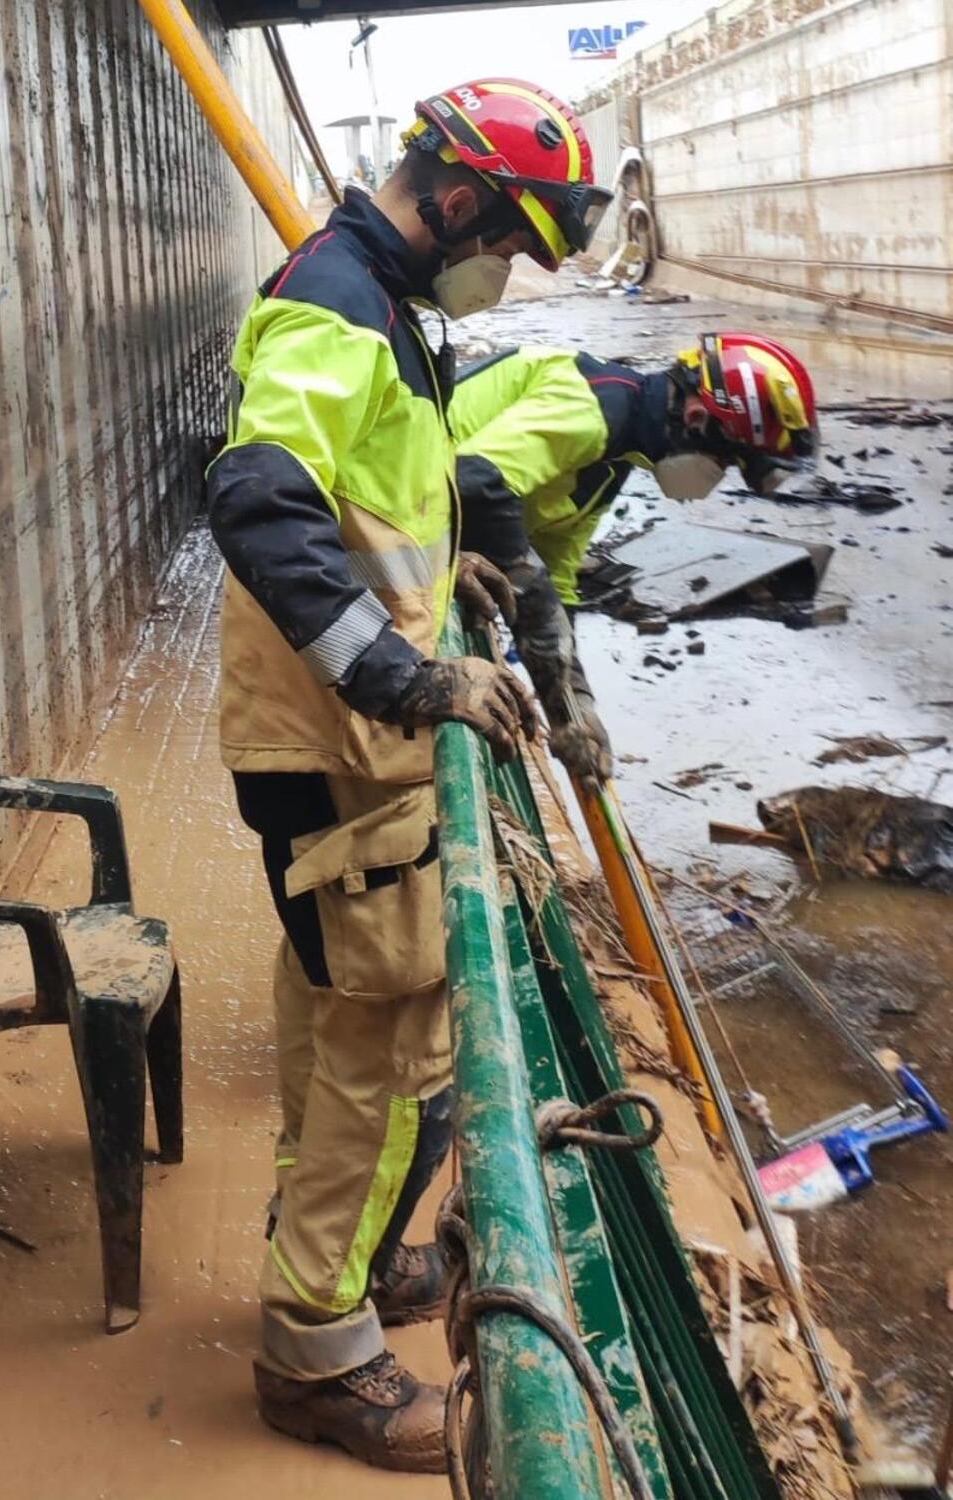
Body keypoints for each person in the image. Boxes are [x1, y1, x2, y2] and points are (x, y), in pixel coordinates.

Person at [206, 78, 610, 1474]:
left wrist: (448, 579)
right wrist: (403, 673)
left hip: (327, 746)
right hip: (340, 744)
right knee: (391, 1065)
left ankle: (343, 1261)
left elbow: (366, 499)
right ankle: (318, 1354)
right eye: (513, 237)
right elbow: (259, 495)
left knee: (347, 1032)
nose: (516, 269)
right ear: (453, 205)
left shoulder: (381, 306)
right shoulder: (337, 302)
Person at [448, 332, 820, 788]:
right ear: (698, 417)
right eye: (726, 462)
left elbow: (556, 579)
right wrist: (528, 582)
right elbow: (475, 481)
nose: (717, 479)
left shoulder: (609, 460)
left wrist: (573, 706)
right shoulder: (595, 408)